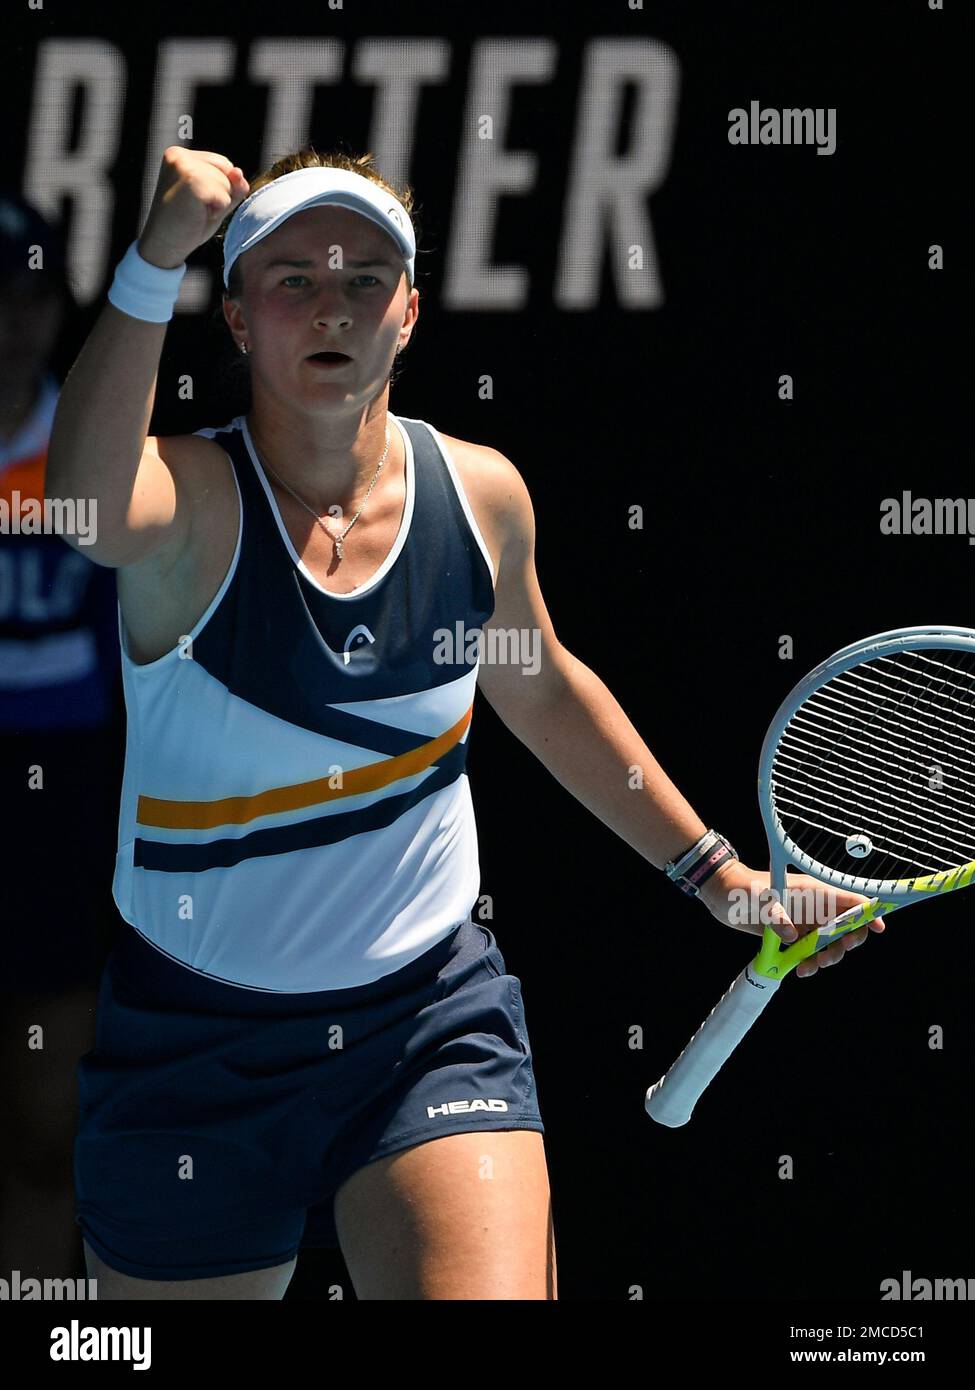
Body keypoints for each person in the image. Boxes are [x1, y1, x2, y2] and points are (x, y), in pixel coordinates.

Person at [45, 144, 884, 1301]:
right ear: (234, 319)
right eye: (292, 280)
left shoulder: (480, 493)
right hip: (192, 1046)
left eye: (364, 279)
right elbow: (83, 505)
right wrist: (150, 260)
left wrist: (719, 876)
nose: (331, 306)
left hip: (425, 1022)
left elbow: (538, 686)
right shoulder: (190, 503)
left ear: (411, 312)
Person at [0, 190, 120, 1281]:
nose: (9, 321)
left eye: (28, 292)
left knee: (49, 1131)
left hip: (66, 812)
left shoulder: (94, 451)